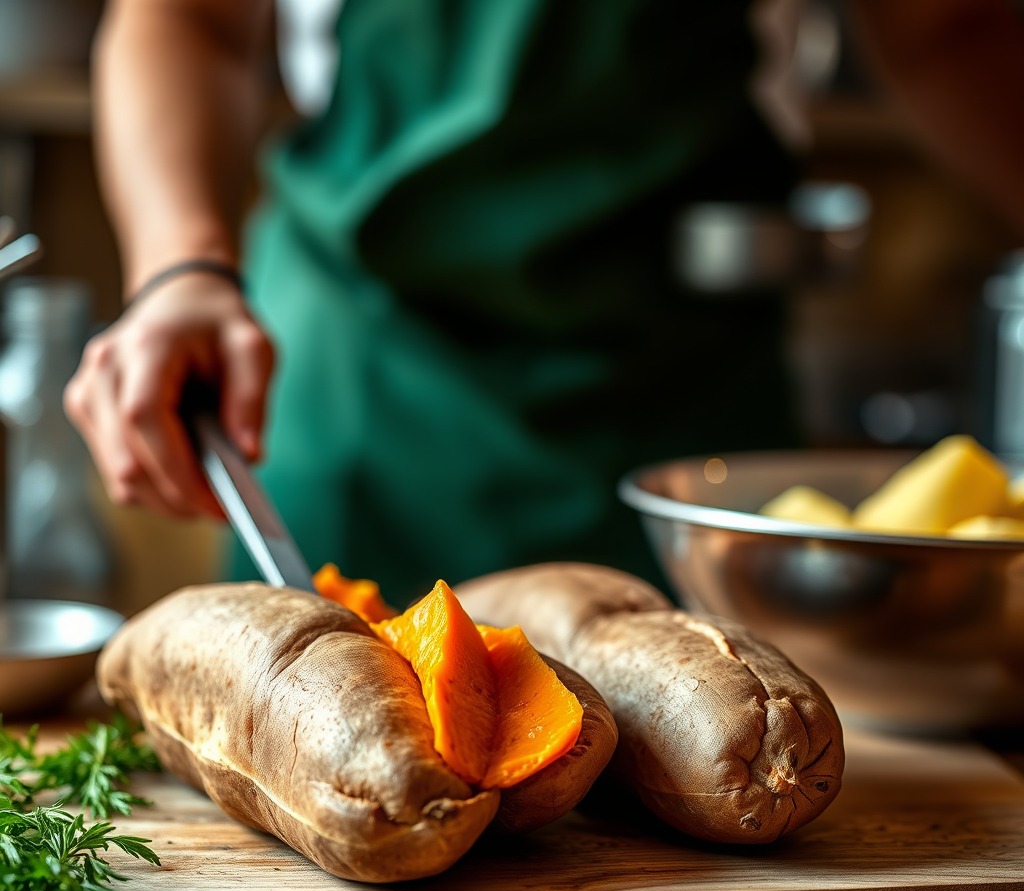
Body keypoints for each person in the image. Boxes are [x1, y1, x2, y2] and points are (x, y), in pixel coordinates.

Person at [65, 0, 1024, 608]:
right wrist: (180, 269)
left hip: (675, 411)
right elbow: (188, 20)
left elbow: (944, 28)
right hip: (361, 387)